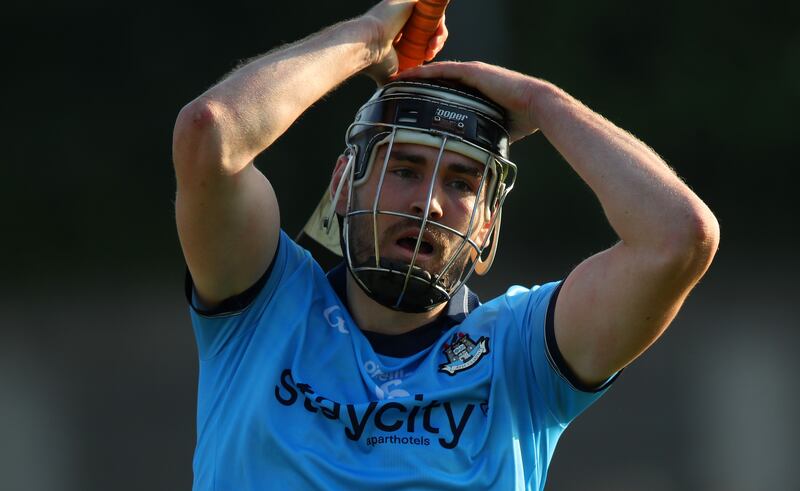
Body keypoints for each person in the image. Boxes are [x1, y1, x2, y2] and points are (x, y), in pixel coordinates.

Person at [172, 1, 719, 489]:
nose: (429, 203)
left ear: (487, 226)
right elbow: (209, 131)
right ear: (343, 184)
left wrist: (542, 101)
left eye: (460, 183)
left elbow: (677, 237)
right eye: (404, 168)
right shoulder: (265, 308)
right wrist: (366, 39)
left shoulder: (519, 354)